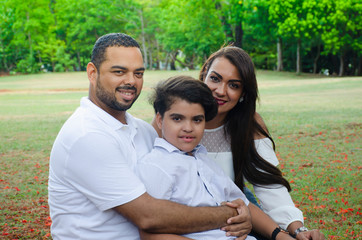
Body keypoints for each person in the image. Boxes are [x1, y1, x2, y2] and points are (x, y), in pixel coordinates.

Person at [48, 33, 251, 240]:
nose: (131, 81)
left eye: (138, 73)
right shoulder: (86, 135)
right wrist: (231, 213)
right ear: (92, 73)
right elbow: (149, 217)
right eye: (119, 71)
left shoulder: (142, 130)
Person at [151, 46, 326, 240]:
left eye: (233, 85)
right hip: (189, 213)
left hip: (234, 204)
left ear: (243, 93)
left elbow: (268, 184)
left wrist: (296, 229)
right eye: (215, 79)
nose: (220, 91)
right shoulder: (169, 122)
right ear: (204, 76)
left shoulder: (250, 123)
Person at [138, 75, 295, 240]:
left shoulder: (203, 160)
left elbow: (242, 203)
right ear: (160, 120)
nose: (188, 128)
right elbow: (150, 233)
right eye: (177, 119)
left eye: (197, 120)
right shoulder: (157, 166)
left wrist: (283, 236)